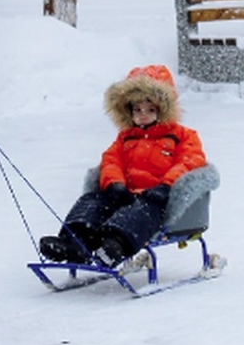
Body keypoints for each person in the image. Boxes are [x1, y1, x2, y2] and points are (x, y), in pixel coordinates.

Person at [39, 65, 207, 267]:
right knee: (93, 201)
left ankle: (114, 246)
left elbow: (191, 161)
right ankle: (75, 241)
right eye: (137, 110)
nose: (143, 115)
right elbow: (111, 160)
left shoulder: (182, 136)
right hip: (124, 195)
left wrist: (166, 186)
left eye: (150, 110)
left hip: (158, 199)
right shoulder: (126, 138)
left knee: (140, 213)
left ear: (163, 110)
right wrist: (114, 184)